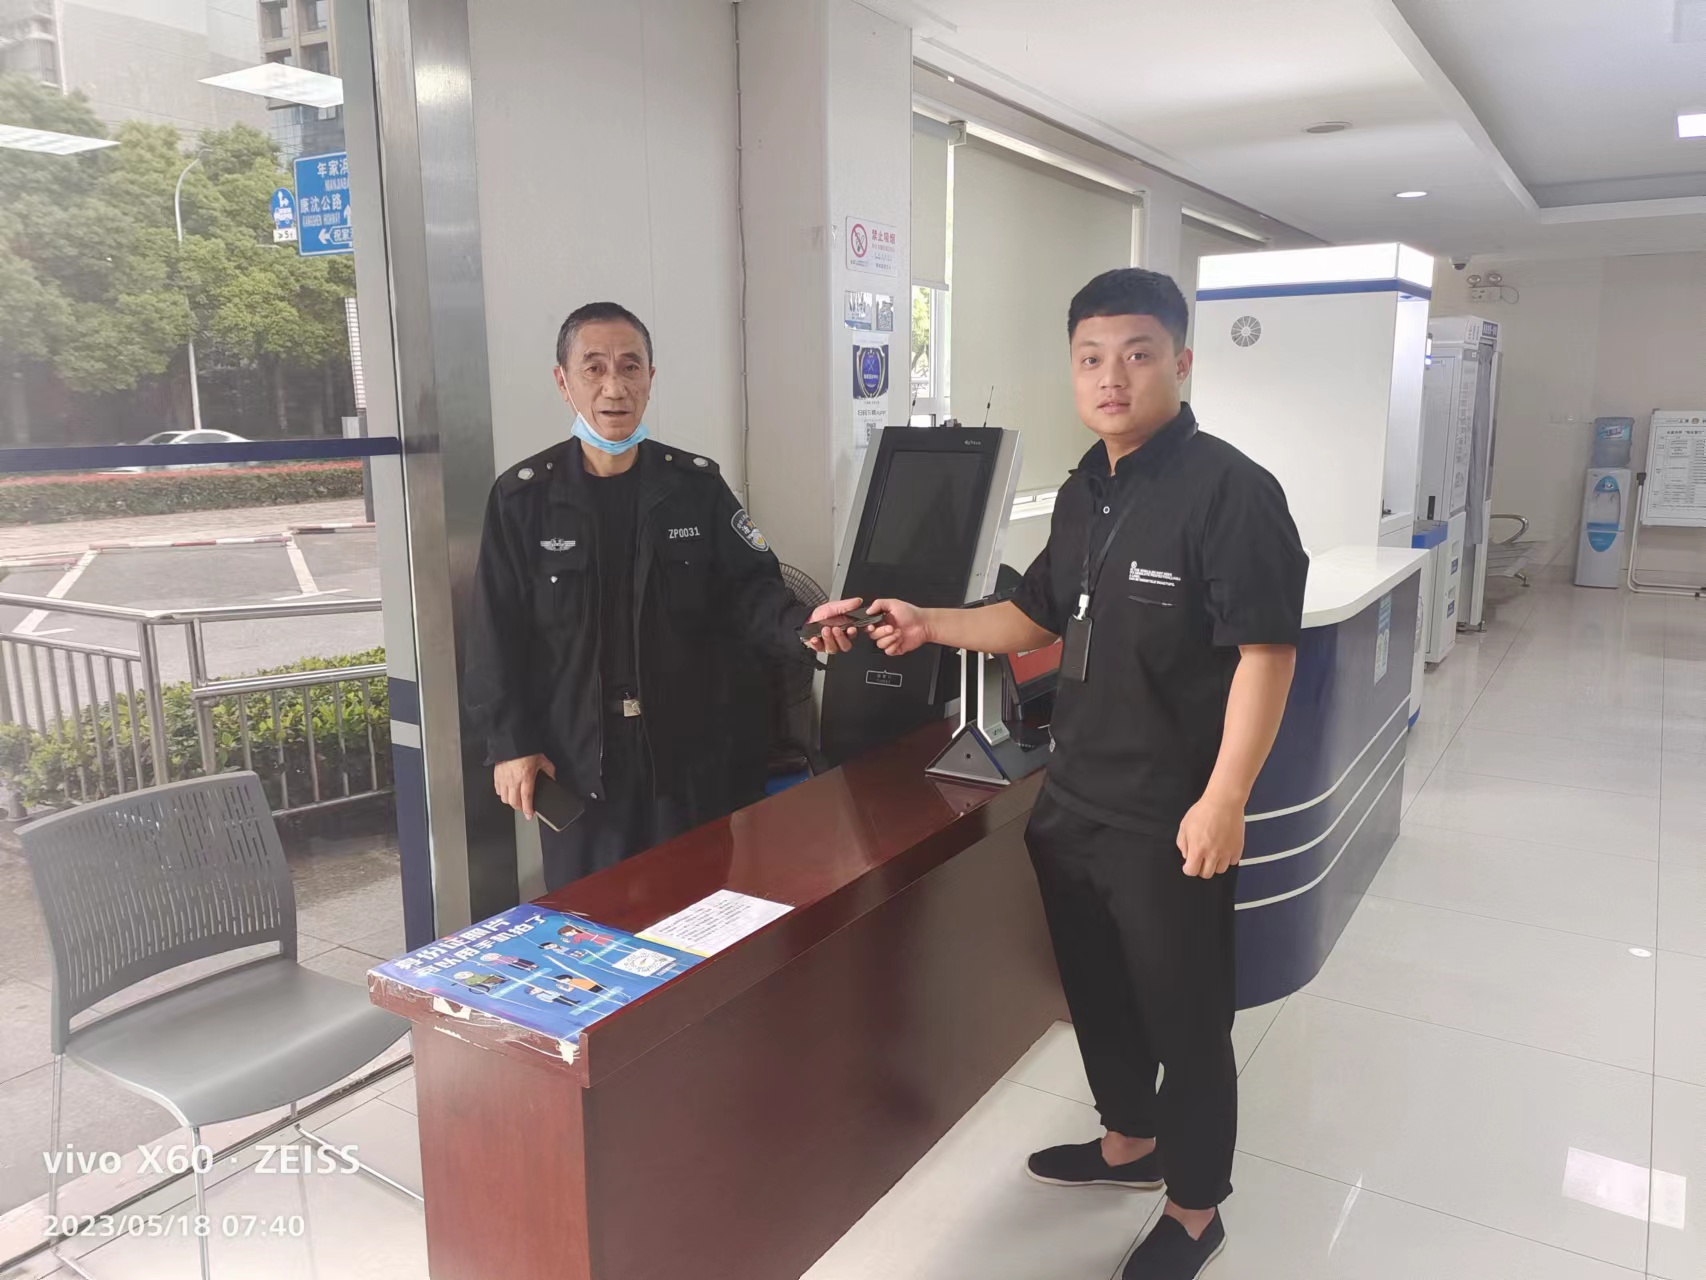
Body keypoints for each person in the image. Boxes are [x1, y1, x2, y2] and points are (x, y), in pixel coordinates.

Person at [813, 269, 1306, 1279]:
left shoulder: (1231, 491)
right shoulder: (1087, 490)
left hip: (1169, 816)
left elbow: (1266, 654)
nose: (1110, 377)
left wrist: (1225, 799)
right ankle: (1128, 1140)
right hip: (1073, 796)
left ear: (1180, 361)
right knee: (1098, 992)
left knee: (1184, 1015)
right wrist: (926, 621)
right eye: (1090, 358)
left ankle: (1194, 1209)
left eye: (1136, 354)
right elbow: (1033, 615)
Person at [466, 301, 858, 890]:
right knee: (591, 918)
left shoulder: (694, 487)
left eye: (630, 367)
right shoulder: (523, 500)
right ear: (563, 382)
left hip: (688, 761)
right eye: (594, 368)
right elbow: (495, 635)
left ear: (650, 379)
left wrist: (804, 625)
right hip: (579, 765)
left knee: (698, 911)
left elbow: (752, 591)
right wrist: (510, 745)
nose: (614, 387)